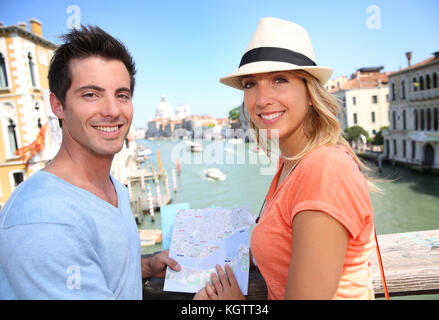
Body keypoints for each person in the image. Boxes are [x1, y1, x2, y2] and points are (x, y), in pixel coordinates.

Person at [198, 17, 378, 300]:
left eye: (279, 80)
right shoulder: (290, 163)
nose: (261, 99)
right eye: (250, 84)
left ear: (310, 93)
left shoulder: (324, 170)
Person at [0, 25, 180, 299]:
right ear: (58, 105)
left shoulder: (115, 189)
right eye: (91, 95)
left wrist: (142, 266)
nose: (112, 111)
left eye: (122, 95)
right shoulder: (45, 222)